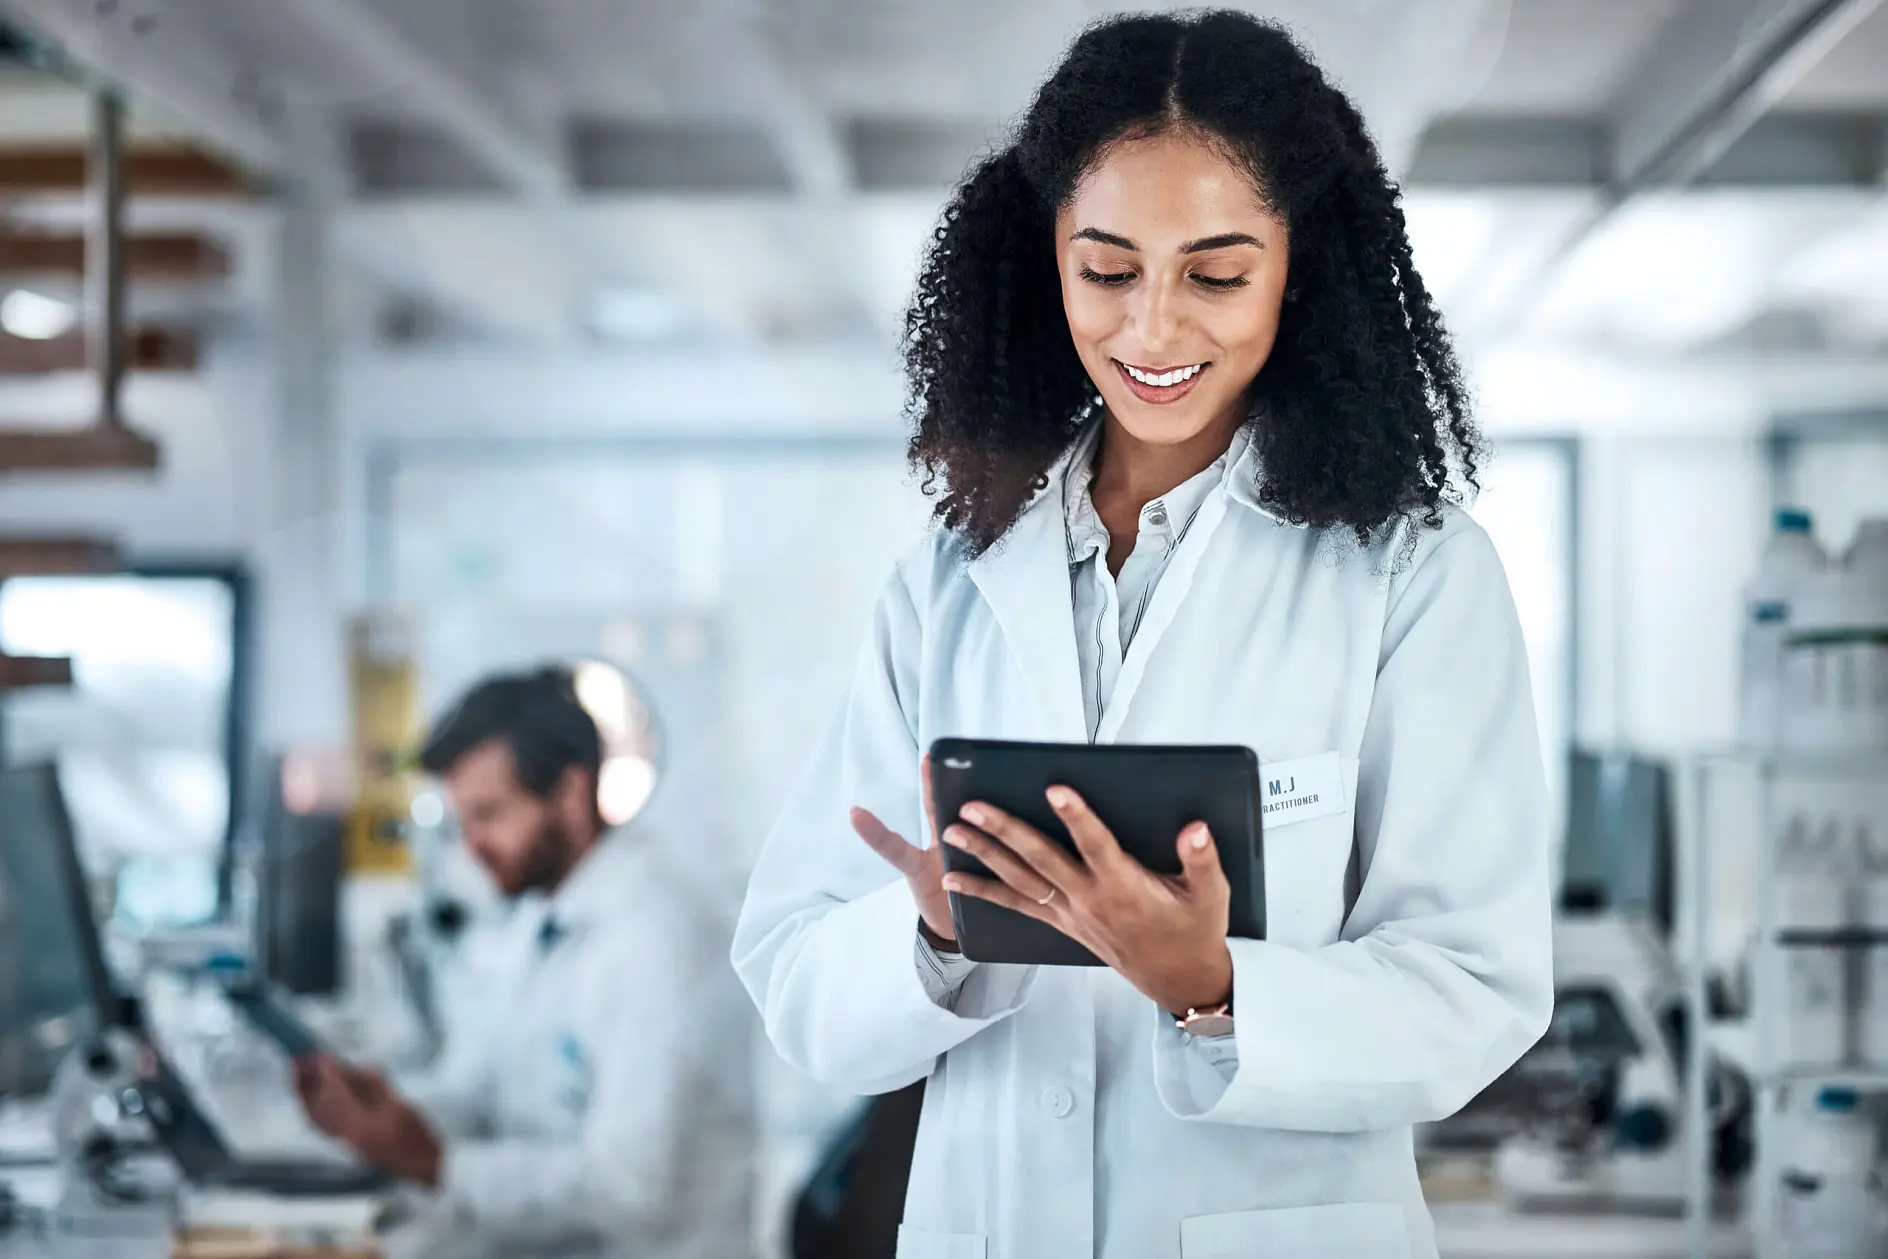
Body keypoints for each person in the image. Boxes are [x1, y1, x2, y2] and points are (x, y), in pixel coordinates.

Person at [733, 12, 1553, 1259]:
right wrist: (936, 938)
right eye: (1106, 270)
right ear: (1043, 259)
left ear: (1299, 268)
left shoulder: (1410, 572)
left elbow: (1475, 987)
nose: (1153, 330)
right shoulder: (947, 582)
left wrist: (1215, 987)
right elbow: (796, 975)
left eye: (1216, 274)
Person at [294, 667, 755, 1259]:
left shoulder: (658, 937)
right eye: (464, 822)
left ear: (569, 792)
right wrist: (383, 1118)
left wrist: (434, 1163)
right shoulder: (536, 913)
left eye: (490, 815)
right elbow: (483, 1093)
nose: (472, 846)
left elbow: (632, 1192)